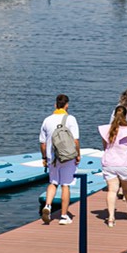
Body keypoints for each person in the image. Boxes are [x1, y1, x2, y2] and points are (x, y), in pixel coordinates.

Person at [38, 94, 80, 225]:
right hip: (67, 156)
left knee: (53, 182)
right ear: (66, 105)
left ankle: (48, 206)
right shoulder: (71, 119)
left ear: (55, 105)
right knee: (65, 185)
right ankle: (63, 216)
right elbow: (75, 140)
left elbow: (42, 143)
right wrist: (78, 155)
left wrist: (44, 157)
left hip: (52, 157)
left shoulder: (47, 120)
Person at [100, 105, 127, 227]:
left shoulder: (106, 130)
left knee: (112, 190)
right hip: (125, 164)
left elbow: (105, 147)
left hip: (109, 163)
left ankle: (111, 217)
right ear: (125, 116)